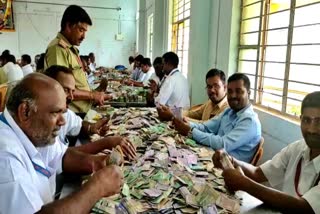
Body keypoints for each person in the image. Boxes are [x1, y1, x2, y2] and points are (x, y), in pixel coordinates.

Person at [0, 73, 123, 213]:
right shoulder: (6, 160)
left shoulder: (33, 132)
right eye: (55, 113)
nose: (63, 121)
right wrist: (97, 187)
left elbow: (60, 157)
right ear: (25, 111)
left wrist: (98, 162)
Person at [213, 91, 320, 214]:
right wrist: (230, 159)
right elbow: (257, 173)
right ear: (300, 119)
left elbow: (305, 208)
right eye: (306, 120)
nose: (312, 129)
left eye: (319, 121)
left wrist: (245, 184)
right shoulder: (297, 148)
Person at [44, 65, 136, 160]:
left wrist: (92, 127)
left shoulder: (65, 113)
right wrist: (106, 143)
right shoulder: (41, 125)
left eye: (73, 91)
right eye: (66, 90)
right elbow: (62, 158)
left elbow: (79, 124)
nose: (71, 97)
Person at [167, 73, 261, 162]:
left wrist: (190, 132)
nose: (233, 95)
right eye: (230, 91)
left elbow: (222, 144)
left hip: (228, 170)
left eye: (238, 91)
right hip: (211, 157)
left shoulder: (250, 120)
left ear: (249, 93)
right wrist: (186, 125)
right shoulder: (229, 111)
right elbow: (206, 127)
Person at [44, 5, 111, 114]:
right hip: (72, 115)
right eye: (81, 30)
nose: (84, 36)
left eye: (85, 31)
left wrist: (96, 92)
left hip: (83, 111)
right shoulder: (57, 49)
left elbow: (77, 84)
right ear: (69, 26)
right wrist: (92, 95)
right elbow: (61, 90)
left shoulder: (71, 49)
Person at [155, 51, 190, 116]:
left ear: (168, 64)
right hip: (185, 114)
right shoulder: (183, 78)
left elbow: (160, 103)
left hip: (172, 115)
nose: (162, 67)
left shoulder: (170, 79)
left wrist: (153, 98)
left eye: (163, 64)